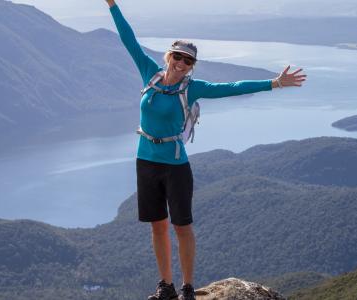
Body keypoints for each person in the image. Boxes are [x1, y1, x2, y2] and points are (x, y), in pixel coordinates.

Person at [104, 1, 306, 299]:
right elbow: (127, 39)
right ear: (168, 56)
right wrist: (112, 5)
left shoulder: (192, 88)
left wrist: (274, 83)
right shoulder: (149, 72)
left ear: (191, 66)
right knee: (157, 227)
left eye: (188, 61)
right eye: (178, 57)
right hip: (145, 160)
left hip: (175, 166)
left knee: (181, 226)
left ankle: (186, 287)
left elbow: (233, 86)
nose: (181, 64)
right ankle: (165, 286)